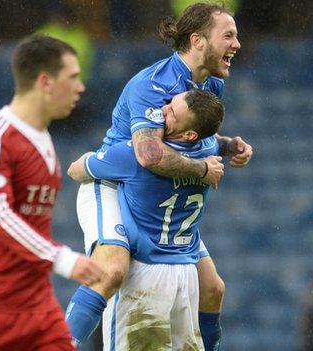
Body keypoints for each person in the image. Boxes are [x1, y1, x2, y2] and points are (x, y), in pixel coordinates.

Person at [64, 3, 253, 350]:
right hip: (114, 182)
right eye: (228, 35)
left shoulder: (211, 87)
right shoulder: (152, 85)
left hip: (156, 195)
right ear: (198, 41)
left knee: (213, 288)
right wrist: (202, 168)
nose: (237, 44)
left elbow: (198, 140)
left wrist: (227, 145)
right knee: (113, 270)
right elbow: (148, 154)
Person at [0, 35, 104, 350]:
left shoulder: (44, 141)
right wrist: (63, 259)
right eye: (72, 77)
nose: (80, 86)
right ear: (45, 81)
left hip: (38, 308)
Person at [69, 89, 225, 350]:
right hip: (186, 274)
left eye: (172, 112)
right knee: (213, 291)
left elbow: (75, 169)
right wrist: (234, 147)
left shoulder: (134, 156)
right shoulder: (209, 150)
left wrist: (94, 158)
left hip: (146, 274)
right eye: (169, 104)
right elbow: (219, 142)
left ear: (190, 134)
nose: (163, 111)